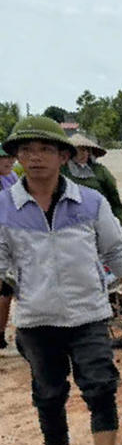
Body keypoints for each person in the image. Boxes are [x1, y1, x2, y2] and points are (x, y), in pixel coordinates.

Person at [0, 116, 122, 445]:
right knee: (48, 394)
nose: (35, 158)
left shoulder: (90, 202)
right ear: (17, 157)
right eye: (26, 150)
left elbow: (115, 251)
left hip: (89, 315)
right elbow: (1, 269)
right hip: (36, 320)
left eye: (45, 150)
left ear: (63, 156)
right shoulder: (4, 207)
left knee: (101, 388)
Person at [61, 133, 122, 225]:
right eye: (78, 151)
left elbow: (114, 198)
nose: (82, 154)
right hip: (72, 219)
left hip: (99, 215)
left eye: (85, 150)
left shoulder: (100, 171)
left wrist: (119, 222)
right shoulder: (62, 171)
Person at [0, 144, 14, 349]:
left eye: (12, 158)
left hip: (11, 239)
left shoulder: (11, 178)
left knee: (7, 291)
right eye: (5, 158)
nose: (10, 161)